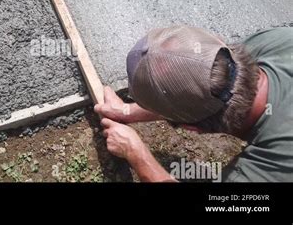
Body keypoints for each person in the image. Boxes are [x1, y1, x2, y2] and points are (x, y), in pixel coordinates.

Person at [94, 26, 292, 182]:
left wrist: (136, 152)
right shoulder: (277, 40)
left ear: (191, 129)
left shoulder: (277, 164)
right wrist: (127, 111)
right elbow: (207, 90)